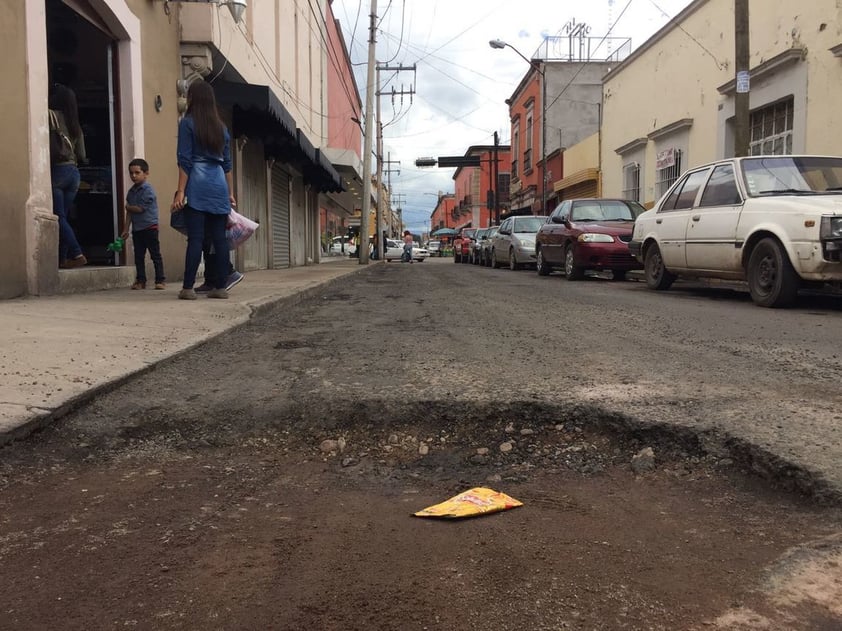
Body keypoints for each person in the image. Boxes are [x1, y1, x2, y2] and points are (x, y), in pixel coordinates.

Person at [172, 79, 236, 300]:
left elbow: (185, 160)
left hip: (197, 184)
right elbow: (227, 164)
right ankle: (220, 287)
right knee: (219, 238)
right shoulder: (222, 128)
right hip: (218, 183)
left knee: (196, 238)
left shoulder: (187, 123)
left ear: (192, 98)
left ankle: (188, 288)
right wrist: (230, 193)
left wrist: (181, 191)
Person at [49, 84, 87, 269]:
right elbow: (82, 154)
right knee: (64, 217)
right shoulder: (75, 124)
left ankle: (77, 253)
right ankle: (63, 259)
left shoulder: (51, 116)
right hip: (75, 173)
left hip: (59, 171)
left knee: (59, 216)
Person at [122, 158, 165, 290]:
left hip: (150, 227)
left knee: (155, 255)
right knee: (139, 256)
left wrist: (128, 207)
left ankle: (160, 280)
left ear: (146, 174)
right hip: (137, 229)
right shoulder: (131, 192)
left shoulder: (148, 191)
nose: (133, 176)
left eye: (137, 172)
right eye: (131, 173)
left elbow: (139, 209)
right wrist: (126, 229)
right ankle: (141, 280)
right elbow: (129, 213)